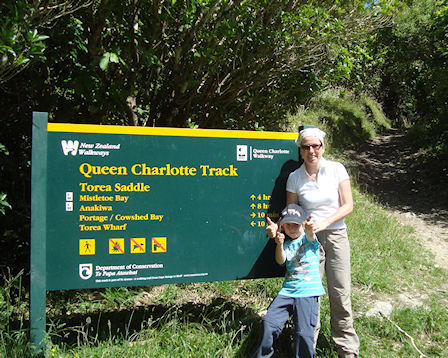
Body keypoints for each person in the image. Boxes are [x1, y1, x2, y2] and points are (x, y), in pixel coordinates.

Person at [266, 127, 360, 358]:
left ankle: (347, 349)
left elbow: (348, 205)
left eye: (315, 146)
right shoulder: (295, 177)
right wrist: (277, 229)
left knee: (340, 292)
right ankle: (309, 345)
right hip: (308, 241)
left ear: (323, 147)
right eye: (305, 146)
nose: (311, 151)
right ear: (300, 150)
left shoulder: (337, 169)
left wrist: (324, 222)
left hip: (336, 235)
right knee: (308, 294)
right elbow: (291, 212)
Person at [253, 204, 325, 358]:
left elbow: (312, 236)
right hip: (287, 292)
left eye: (296, 224)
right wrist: (279, 244)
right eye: (288, 225)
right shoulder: (285, 244)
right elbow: (281, 261)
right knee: (269, 323)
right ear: (283, 226)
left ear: (303, 224)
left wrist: (310, 229)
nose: (292, 228)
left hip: (308, 292)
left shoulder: (309, 239)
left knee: (304, 333)